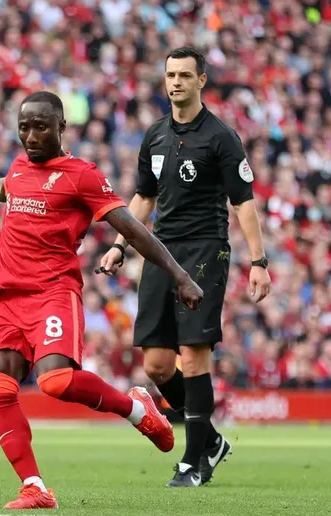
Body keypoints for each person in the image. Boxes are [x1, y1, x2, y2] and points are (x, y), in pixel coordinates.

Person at [0, 90, 204, 509]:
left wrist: (179, 275)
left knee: (55, 382)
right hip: (8, 299)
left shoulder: (81, 175)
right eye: (23, 127)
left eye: (40, 127)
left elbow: (134, 228)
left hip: (54, 292)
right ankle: (34, 486)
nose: (30, 136)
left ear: (60, 128)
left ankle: (138, 409)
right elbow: (10, 189)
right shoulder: (18, 168)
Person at [98, 46, 272, 487]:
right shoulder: (155, 135)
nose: (175, 81)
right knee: (157, 365)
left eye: (184, 75)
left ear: (201, 81)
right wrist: (120, 243)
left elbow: (244, 203)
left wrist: (258, 261)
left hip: (204, 251)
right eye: (170, 74)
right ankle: (210, 439)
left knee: (193, 356)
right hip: (159, 251)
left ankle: (195, 459)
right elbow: (142, 198)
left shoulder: (221, 137)